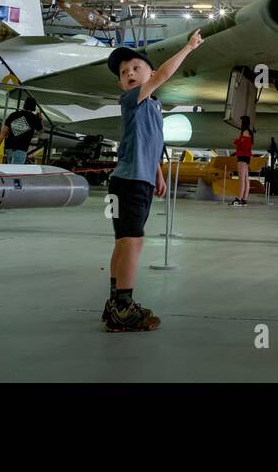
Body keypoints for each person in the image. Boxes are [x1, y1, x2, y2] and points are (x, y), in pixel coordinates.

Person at [101, 31, 203, 332]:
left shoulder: (153, 107)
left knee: (125, 242)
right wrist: (189, 47)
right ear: (122, 83)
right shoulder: (133, 99)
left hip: (136, 181)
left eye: (135, 68)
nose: (129, 73)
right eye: (124, 72)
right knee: (132, 241)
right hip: (129, 183)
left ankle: (114, 305)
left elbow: (151, 143)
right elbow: (163, 74)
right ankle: (123, 306)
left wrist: (158, 175)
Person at [0, 96, 42, 165]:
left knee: (10, 169)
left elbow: (4, 133)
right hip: (21, 149)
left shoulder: (13, 115)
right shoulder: (33, 118)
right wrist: (40, 119)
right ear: (34, 107)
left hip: (8, 148)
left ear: (24, 105)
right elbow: (41, 130)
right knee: (15, 171)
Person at [231, 116, 253, 206]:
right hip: (246, 157)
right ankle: (244, 199)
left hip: (242, 157)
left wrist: (236, 141)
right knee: (245, 179)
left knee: (242, 179)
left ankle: (238, 199)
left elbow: (245, 146)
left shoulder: (245, 132)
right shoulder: (250, 132)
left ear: (244, 123)